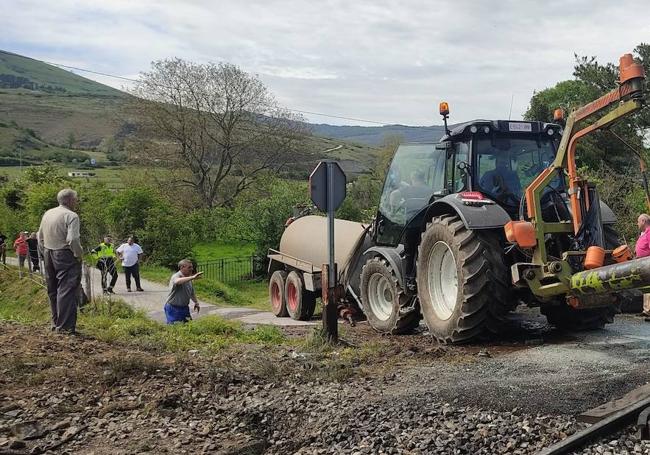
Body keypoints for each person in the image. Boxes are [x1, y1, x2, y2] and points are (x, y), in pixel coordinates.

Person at [38, 189, 83, 334]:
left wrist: (43, 252)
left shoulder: (48, 213)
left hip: (48, 252)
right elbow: (73, 239)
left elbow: (40, 236)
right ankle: (65, 327)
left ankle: (55, 322)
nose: (76, 202)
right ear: (70, 200)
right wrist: (78, 254)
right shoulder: (71, 216)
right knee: (67, 289)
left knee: (53, 289)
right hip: (64, 254)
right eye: (75, 199)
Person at [163, 259, 203, 324]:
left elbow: (191, 292)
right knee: (175, 329)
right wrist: (192, 277)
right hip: (173, 308)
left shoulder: (188, 278)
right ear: (182, 267)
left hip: (184, 308)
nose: (192, 269)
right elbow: (177, 281)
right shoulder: (176, 276)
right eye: (189, 267)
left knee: (188, 326)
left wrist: (196, 302)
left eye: (192, 267)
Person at [635, 214, 650, 319]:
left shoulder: (649, 233)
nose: (637, 224)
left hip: (647, 263)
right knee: (646, 287)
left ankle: (648, 310)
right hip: (642, 263)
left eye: (638, 221)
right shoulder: (643, 233)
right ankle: (646, 310)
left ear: (644, 221)